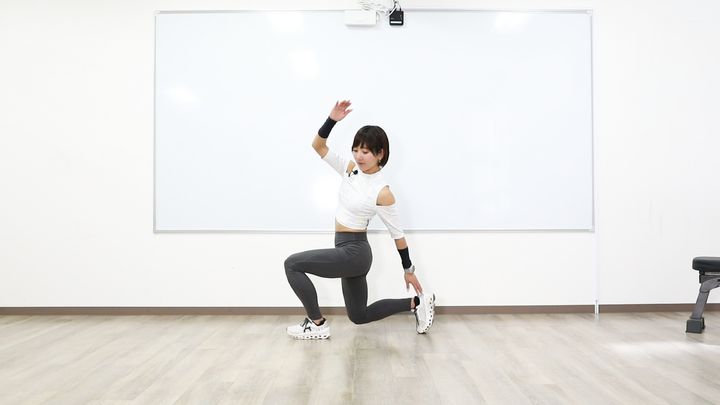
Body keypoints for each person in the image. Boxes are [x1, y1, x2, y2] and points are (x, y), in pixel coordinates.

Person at [284, 100, 435, 340]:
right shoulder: (350, 169)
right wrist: (331, 120)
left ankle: (316, 323)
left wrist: (408, 270)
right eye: (356, 149)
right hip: (346, 250)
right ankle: (417, 303)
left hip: (354, 252)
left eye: (365, 152)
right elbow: (318, 146)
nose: (359, 155)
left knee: (292, 264)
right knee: (359, 315)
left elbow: (398, 235)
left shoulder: (382, 192)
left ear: (380, 154)